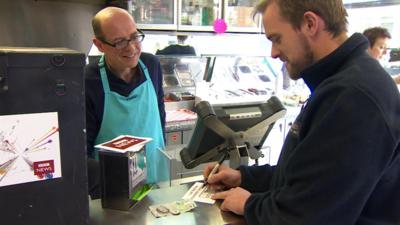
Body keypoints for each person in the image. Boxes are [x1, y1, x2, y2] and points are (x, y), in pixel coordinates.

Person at [203, 0, 400, 224]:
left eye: (277, 39)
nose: (274, 52)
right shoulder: (338, 82)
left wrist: (249, 205)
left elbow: (309, 215)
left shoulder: (353, 95)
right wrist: (244, 178)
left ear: (309, 24)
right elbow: (313, 177)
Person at [85, 7, 167, 198]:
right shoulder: (88, 81)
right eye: (119, 42)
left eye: (134, 36)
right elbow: (83, 152)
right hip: (113, 191)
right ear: (99, 45)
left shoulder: (152, 65)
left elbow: (159, 116)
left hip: (157, 181)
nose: (131, 48)